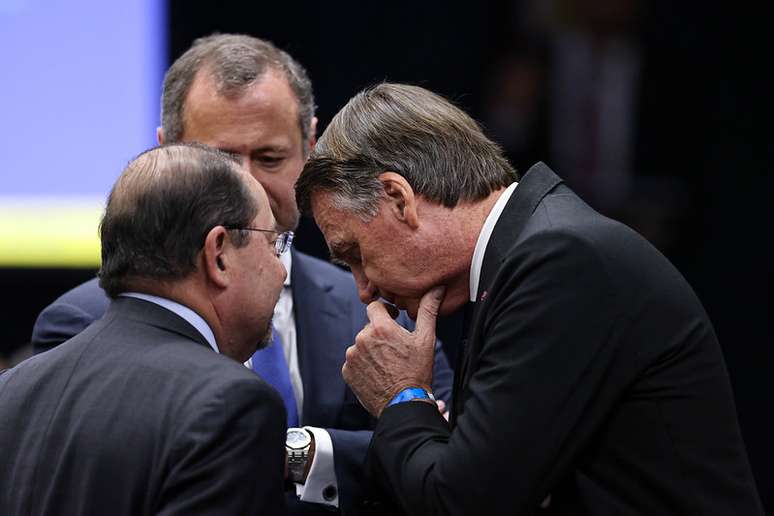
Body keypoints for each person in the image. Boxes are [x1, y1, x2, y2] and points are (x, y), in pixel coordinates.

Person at [294, 83, 765, 515]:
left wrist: (402, 396)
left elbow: (461, 503)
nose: (363, 288)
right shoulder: (530, 255)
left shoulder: (559, 262)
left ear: (398, 198)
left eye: (354, 253)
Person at [30, 35, 452, 515]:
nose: (248, 182)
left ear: (310, 149)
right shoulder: (82, 323)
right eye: (220, 160)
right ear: (168, 153)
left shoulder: (381, 308)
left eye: (269, 158)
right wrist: (332, 450)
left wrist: (297, 450)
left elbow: (444, 466)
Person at [1, 144, 289, 515]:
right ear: (218, 253)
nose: (281, 271)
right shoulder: (230, 405)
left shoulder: (11, 390)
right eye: (272, 243)